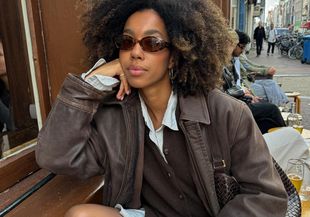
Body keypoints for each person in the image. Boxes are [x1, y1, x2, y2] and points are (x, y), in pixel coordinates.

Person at [36, 1, 288, 216]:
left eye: (152, 43)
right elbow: (55, 156)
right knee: (81, 214)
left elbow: (266, 196)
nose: (135, 52)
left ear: (175, 55)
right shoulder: (113, 117)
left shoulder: (226, 113)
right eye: (126, 42)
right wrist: (92, 81)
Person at [225, 30, 286, 134]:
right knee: (272, 109)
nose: (242, 50)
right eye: (240, 46)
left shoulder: (232, 60)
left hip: (238, 98)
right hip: (234, 105)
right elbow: (226, 91)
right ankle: (286, 138)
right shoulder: (223, 64)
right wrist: (244, 94)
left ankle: (277, 137)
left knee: (267, 113)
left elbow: (233, 85)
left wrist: (245, 95)